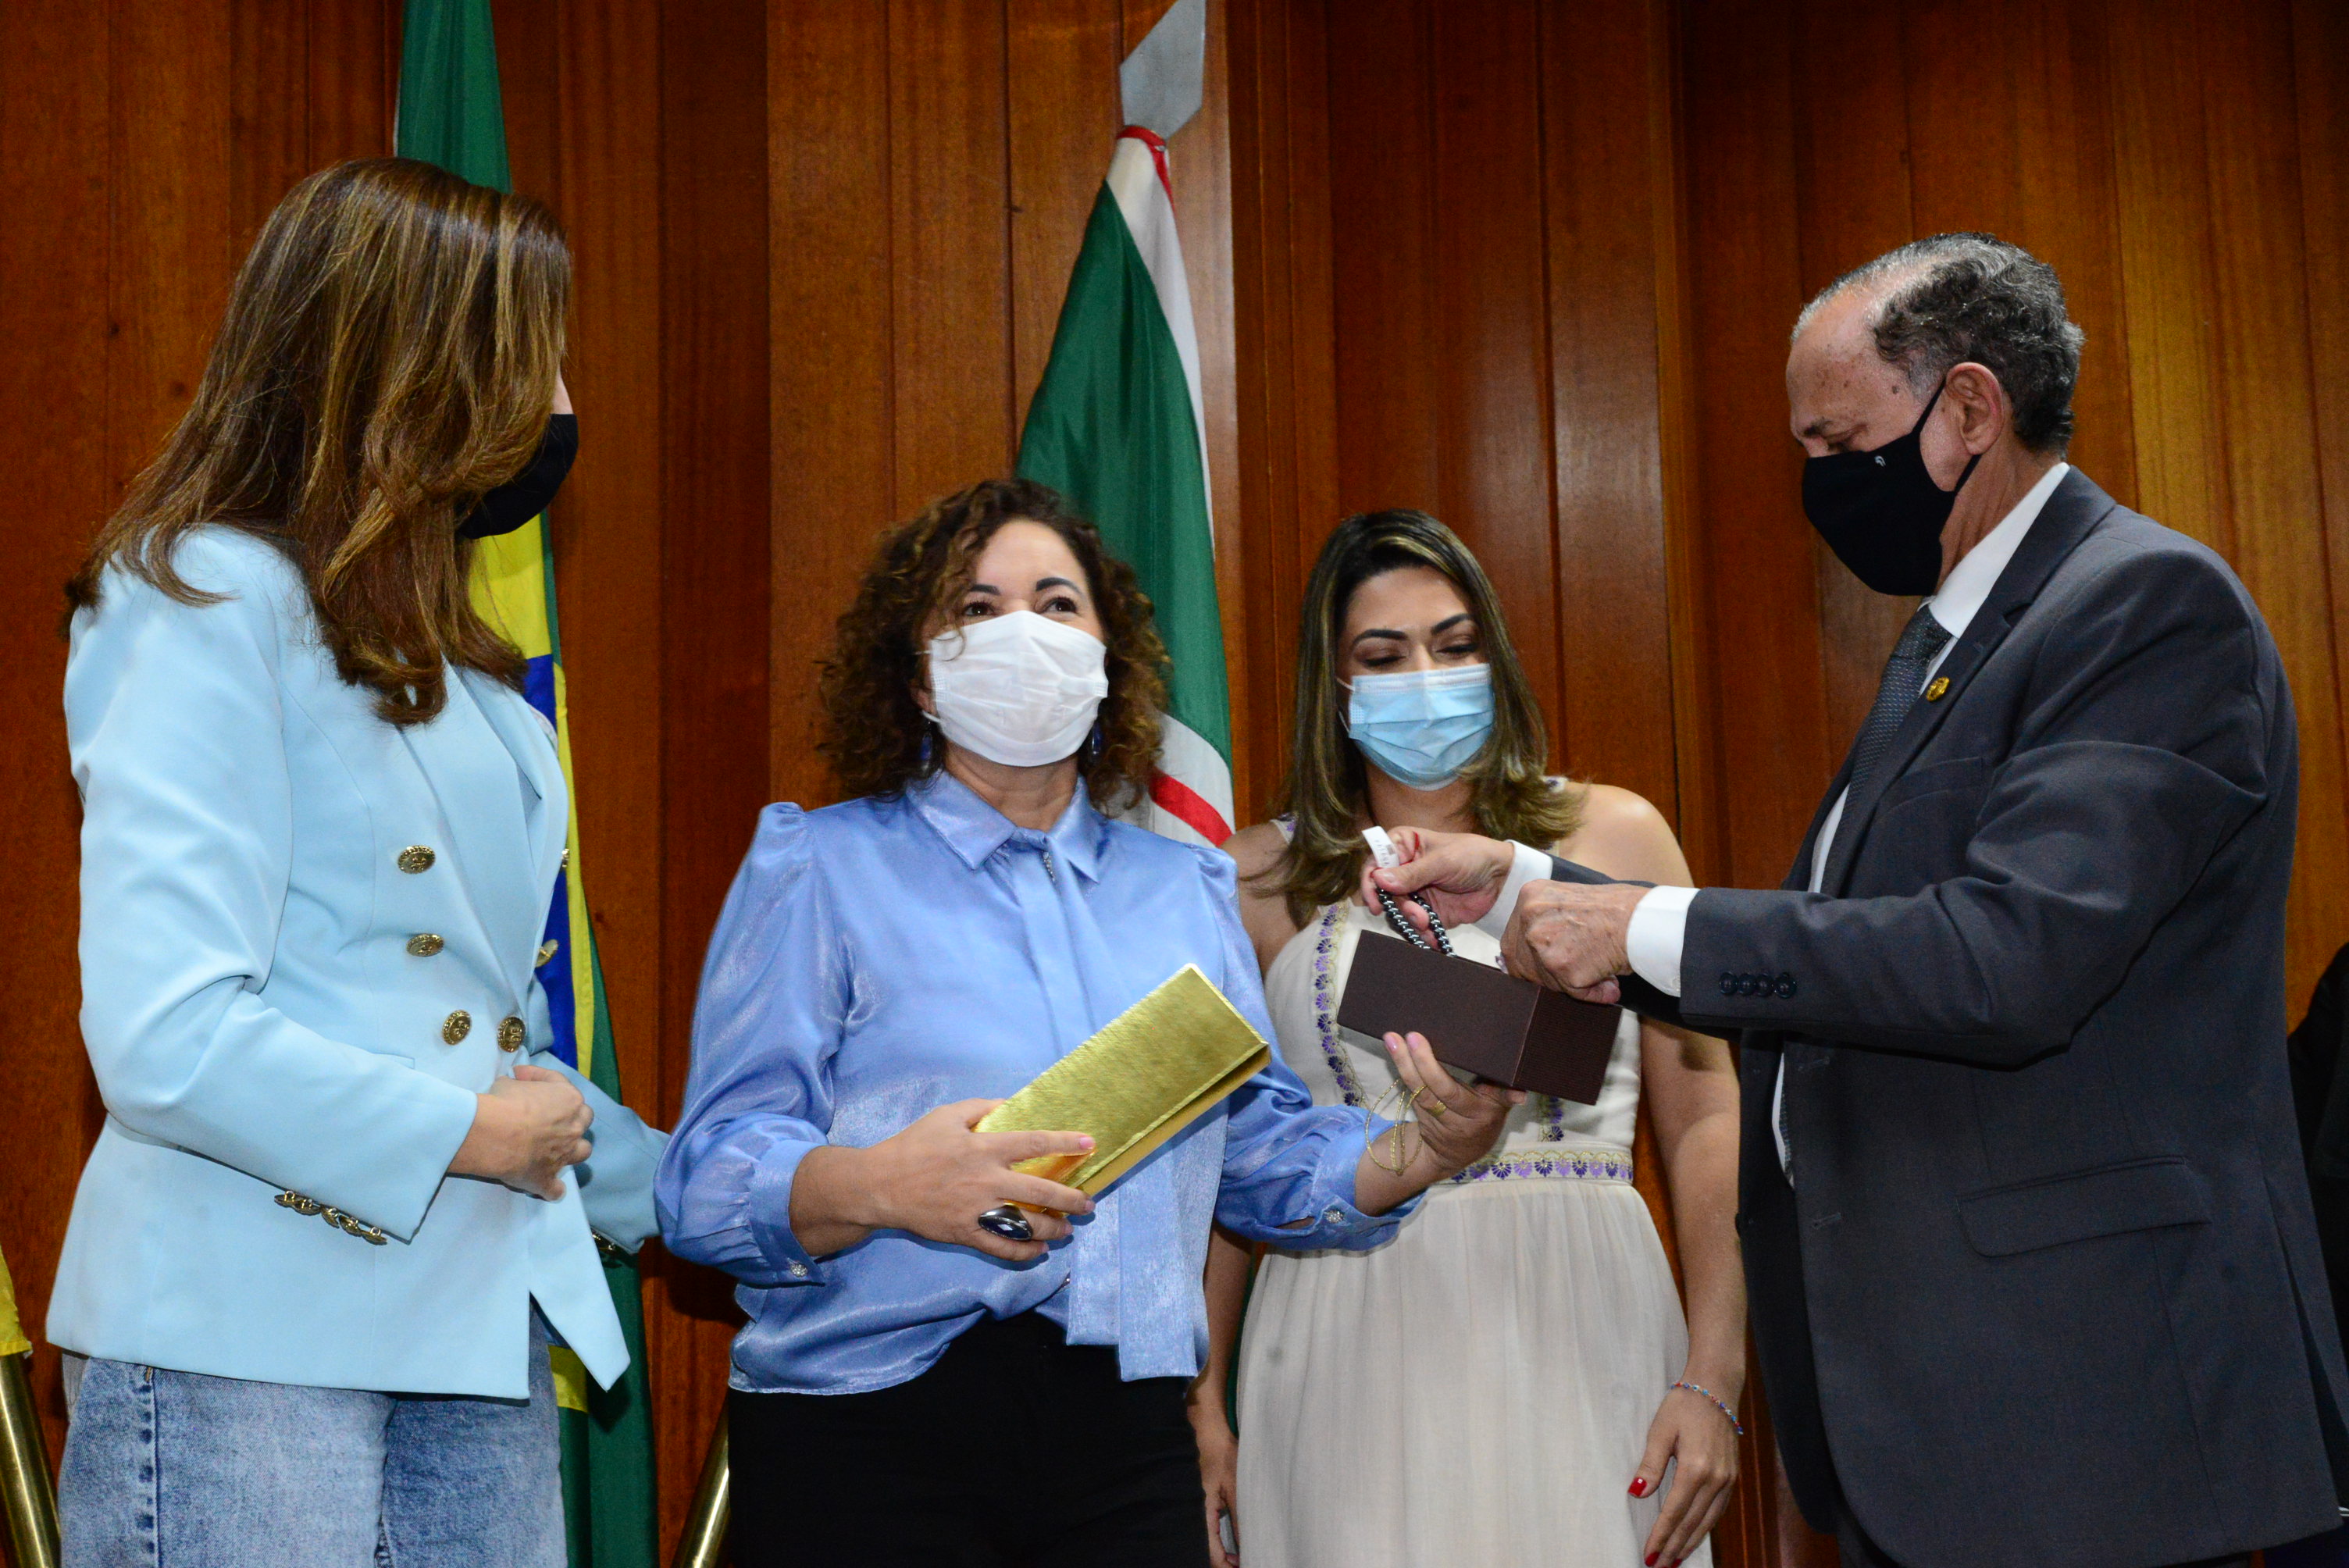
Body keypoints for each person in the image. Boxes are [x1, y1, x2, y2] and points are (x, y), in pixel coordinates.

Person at [1367, 233, 2349, 1567]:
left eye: (1839, 441)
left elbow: (2004, 961)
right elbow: (1846, 958)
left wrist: (1640, 922)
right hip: (1966, 1419)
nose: (1821, 482)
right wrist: (1534, 884)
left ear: (1968, 410)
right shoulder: (1957, 637)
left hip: (2097, 1411)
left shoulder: (2141, 606)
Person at [656, 478, 1517, 1568]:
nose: (1022, 631)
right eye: (977, 608)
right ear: (917, 674)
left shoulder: (1184, 889)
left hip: (1126, 1442)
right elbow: (704, 1185)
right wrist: (879, 1185)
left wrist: (1425, 1149)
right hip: (869, 1431)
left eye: (1057, 604)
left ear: (1109, 660)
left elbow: (1254, 1156)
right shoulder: (820, 866)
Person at [49, 158, 666, 1567]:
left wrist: (776, 1199)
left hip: (471, 1319)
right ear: (421, 362)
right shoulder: (202, 598)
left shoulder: (465, 674)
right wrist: (466, 1134)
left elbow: (470, 1031)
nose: (559, 401)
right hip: (245, 1330)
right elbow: (166, 1037)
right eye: (532, 353)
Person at [1191, 510, 1742, 1568]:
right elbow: (1223, 1163)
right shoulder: (1253, 878)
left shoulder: (1615, 833)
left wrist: (1715, 1373)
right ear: (1333, 685)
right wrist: (1204, 1405)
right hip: (1345, 1334)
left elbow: (1707, 1116)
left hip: (1588, 1319)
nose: (1426, 678)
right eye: (1382, 656)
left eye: (1453, 645)